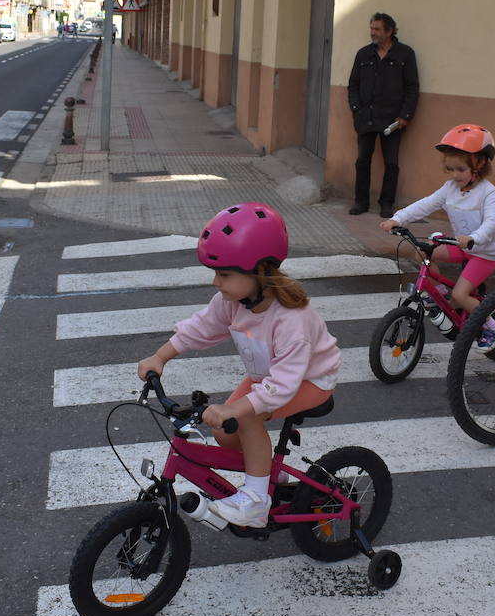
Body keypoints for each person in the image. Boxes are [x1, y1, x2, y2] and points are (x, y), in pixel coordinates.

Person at [136, 202, 341, 528]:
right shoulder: (234, 301)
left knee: (245, 417)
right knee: (224, 432)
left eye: (225, 274)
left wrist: (241, 409)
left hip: (310, 380)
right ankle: (270, 479)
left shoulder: (291, 321)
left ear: (260, 271)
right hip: (267, 377)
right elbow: (200, 327)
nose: (217, 282)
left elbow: (284, 384)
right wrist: (160, 357)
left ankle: (256, 501)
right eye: (216, 273)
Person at [380, 124, 495, 347]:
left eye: (460, 170)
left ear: (480, 164)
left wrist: (474, 237)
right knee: (423, 251)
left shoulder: (489, 193)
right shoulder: (450, 189)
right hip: (460, 244)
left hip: (484, 252)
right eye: (450, 169)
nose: (455, 175)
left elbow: (492, 223)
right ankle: (438, 294)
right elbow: (424, 205)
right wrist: (397, 219)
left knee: (460, 296)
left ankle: (492, 327)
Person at [347, 12, 419, 219]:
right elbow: (353, 84)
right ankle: (360, 202)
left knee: (391, 163)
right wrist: (355, 109)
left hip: (392, 120)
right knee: (362, 160)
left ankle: (386, 204)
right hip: (365, 117)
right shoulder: (363, 54)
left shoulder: (405, 54)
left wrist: (405, 115)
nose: (373, 33)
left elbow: (412, 87)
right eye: (371, 28)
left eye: (377, 29)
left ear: (390, 31)